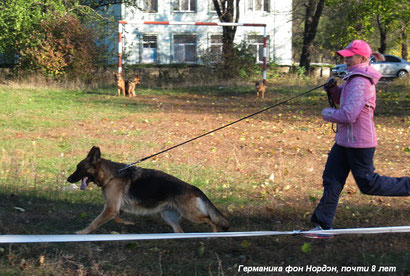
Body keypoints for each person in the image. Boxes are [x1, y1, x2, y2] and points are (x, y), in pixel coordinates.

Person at [302, 40, 410, 239]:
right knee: (332, 180)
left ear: (361, 58)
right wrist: (334, 90)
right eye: (345, 55)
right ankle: (322, 227)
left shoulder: (360, 80)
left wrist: (325, 113)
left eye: (349, 56)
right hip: (344, 141)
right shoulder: (354, 78)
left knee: (369, 185)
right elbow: (343, 99)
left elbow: (348, 115)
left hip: (359, 143)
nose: (346, 59)